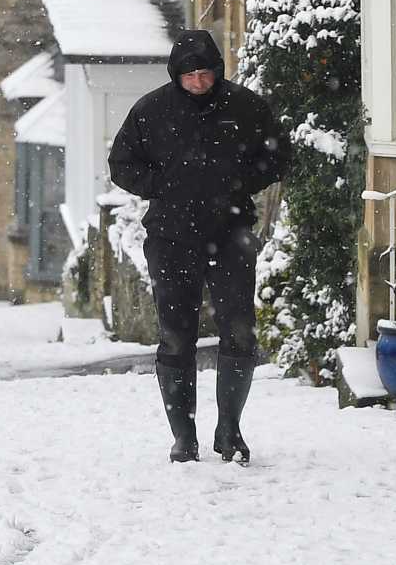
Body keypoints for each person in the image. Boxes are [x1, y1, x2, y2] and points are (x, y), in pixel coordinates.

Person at [106, 29, 289, 464]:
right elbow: (121, 164)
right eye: (190, 75)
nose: (199, 82)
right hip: (171, 239)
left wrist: (239, 183)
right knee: (175, 337)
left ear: (217, 72)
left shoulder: (245, 107)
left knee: (239, 332)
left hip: (231, 237)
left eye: (206, 74)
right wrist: (163, 186)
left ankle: (230, 431)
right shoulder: (151, 111)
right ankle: (183, 436)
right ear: (176, 76)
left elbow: (277, 155)